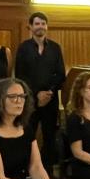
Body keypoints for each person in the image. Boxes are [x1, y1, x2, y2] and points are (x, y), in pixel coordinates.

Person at [14, 12, 66, 168]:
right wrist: (37, 94)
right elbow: (20, 76)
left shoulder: (55, 48)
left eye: (43, 23)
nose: (40, 27)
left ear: (47, 27)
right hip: (30, 100)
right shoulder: (23, 48)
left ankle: (47, 172)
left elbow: (61, 74)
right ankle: (26, 169)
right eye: (37, 24)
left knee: (49, 137)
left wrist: (49, 92)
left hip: (50, 100)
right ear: (30, 27)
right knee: (27, 135)